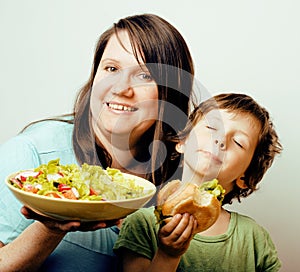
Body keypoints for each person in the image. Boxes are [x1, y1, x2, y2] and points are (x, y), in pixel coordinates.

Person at [0, 14, 196, 271]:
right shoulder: (32, 152)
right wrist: (52, 225)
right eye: (112, 69)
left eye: (144, 76)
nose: (121, 88)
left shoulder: (180, 181)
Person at [114, 93, 283, 272]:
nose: (220, 140)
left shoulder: (254, 238)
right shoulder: (142, 223)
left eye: (238, 142)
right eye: (211, 127)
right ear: (182, 141)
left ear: (245, 177)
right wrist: (167, 255)